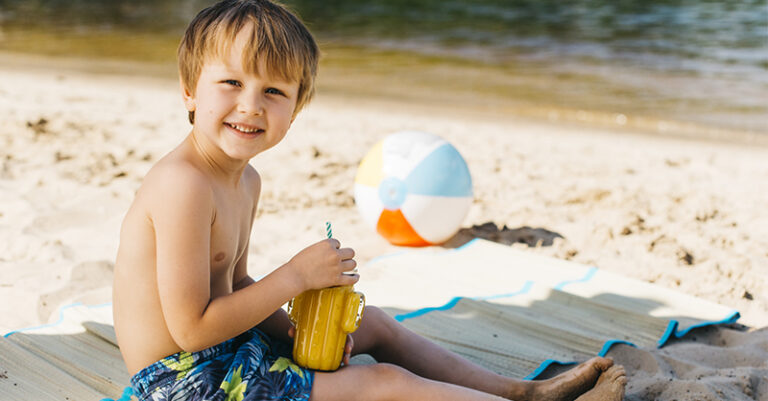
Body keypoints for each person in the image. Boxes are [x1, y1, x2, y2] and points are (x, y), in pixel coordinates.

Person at [112, 0, 628, 400]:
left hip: (224, 354)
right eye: (231, 82)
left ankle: (521, 391)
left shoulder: (246, 181)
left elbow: (238, 283)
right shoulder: (183, 185)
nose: (250, 105)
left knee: (372, 323)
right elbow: (192, 328)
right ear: (189, 92)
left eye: (274, 92)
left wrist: (293, 329)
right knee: (382, 384)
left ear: (295, 110)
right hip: (180, 382)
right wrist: (294, 278)